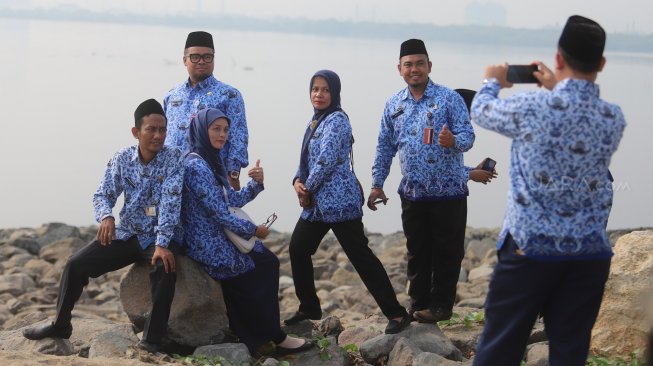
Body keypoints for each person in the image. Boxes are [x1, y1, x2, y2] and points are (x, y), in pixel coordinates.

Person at [470, 15, 626, 366]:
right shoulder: (613, 118)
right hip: (589, 253)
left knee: (499, 349)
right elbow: (576, 120)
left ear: (558, 59)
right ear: (601, 63)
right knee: (570, 354)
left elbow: (480, 109)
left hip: (531, 250)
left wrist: (492, 80)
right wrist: (557, 87)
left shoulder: (532, 108)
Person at [23, 99, 183, 354]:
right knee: (76, 264)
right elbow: (102, 194)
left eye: (162, 129)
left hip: (160, 234)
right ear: (136, 132)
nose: (158, 135)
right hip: (128, 232)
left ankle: (152, 340)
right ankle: (61, 324)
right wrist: (106, 217)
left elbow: (171, 203)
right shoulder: (122, 158)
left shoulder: (173, 158)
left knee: (165, 267)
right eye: (151, 129)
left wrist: (163, 244)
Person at [179, 108, 313, 355]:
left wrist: (256, 184)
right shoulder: (196, 166)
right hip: (205, 241)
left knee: (265, 261)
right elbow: (220, 213)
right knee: (261, 266)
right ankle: (272, 336)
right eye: (216, 129)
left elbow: (230, 200)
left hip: (216, 235)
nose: (222, 135)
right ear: (201, 130)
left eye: (226, 130)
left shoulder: (208, 160)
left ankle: (259, 334)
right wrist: (254, 230)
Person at [286, 70, 411, 334]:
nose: (319, 94)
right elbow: (306, 160)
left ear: (335, 93)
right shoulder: (315, 121)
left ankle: (396, 314)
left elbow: (326, 160)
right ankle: (309, 307)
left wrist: (306, 189)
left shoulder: (337, 121)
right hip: (317, 205)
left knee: (361, 257)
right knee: (298, 248)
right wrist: (297, 181)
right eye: (315, 89)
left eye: (325, 90)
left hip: (340, 203)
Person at [368, 39, 475, 323]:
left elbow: (468, 136)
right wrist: (377, 183)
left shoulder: (449, 98)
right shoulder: (393, 104)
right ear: (399, 69)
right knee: (417, 252)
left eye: (419, 64)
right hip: (413, 192)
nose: (414, 69)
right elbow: (384, 146)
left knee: (447, 252)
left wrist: (453, 141)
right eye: (408, 65)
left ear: (429, 66)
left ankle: (441, 306)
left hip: (449, 191)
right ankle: (419, 304)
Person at [163, 31, 248, 190]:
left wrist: (233, 174)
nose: (201, 61)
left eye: (207, 57)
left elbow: (239, 137)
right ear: (185, 60)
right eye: (195, 57)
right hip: (171, 180)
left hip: (210, 180)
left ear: (213, 59)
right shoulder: (171, 95)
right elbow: (161, 135)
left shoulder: (229, 95)